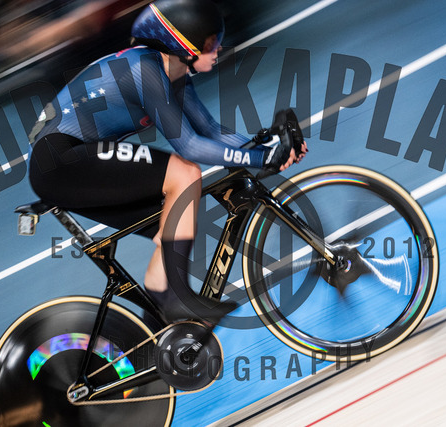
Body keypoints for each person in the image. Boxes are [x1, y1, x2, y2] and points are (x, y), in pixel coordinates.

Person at [27, 0, 305, 324]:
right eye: (209, 43)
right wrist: (260, 158)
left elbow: (211, 130)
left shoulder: (173, 73)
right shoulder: (144, 69)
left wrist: (267, 146)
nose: (217, 49)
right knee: (183, 174)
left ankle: (159, 328)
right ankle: (174, 298)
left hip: (66, 161)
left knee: (173, 219)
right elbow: (190, 146)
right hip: (59, 160)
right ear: (183, 43)